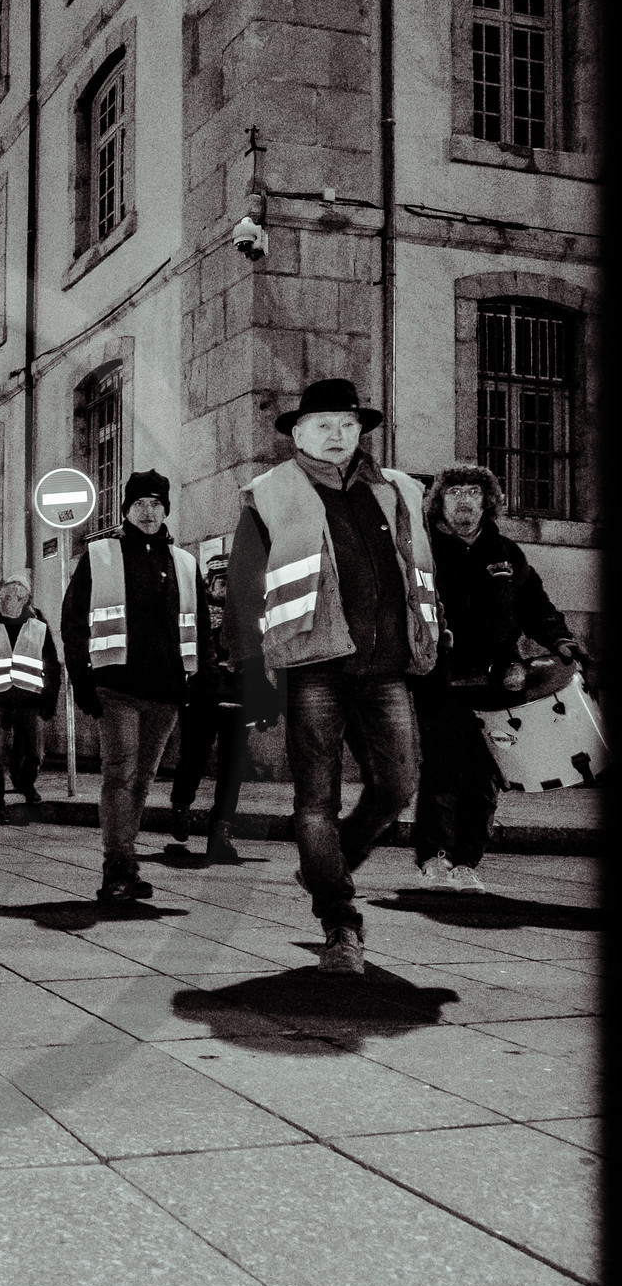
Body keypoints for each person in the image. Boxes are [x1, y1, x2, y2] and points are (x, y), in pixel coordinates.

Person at [229, 379, 440, 974]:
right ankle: (340, 922)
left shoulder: (397, 488)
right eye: (323, 424)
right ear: (297, 433)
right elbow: (246, 588)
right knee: (315, 799)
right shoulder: (268, 493)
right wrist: (255, 671)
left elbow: (418, 565)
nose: (338, 434)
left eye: (348, 424)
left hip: (386, 665)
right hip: (314, 663)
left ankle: (327, 862)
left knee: (398, 786)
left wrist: (429, 635)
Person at [411, 463, 588, 892]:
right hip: (441, 676)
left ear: (488, 501)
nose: (465, 501)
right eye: (455, 493)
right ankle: (433, 856)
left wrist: (561, 640)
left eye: (474, 492)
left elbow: (536, 606)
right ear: (440, 501)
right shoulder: (422, 551)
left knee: (485, 773)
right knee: (441, 767)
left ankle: (466, 861)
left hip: (499, 681)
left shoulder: (507, 552)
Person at [62, 470, 214, 904]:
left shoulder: (184, 562)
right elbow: (73, 622)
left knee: (143, 779)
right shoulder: (101, 554)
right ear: (126, 509)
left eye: (156, 504)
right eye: (140, 504)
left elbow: (200, 629)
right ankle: (118, 865)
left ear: (166, 509)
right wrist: (82, 679)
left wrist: (198, 682)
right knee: (120, 775)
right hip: (117, 687)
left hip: (166, 692)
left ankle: (127, 861)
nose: (149, 512)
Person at [168, 552, 248, 863]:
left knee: (232, 770)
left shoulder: (248, 614)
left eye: (233, 581)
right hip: (201, 699)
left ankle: (221, 831)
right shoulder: (195, 613)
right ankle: (180, 806)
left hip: (238, 700)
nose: (228, 588)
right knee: (194, 758)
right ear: (210, 583)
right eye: (222, 581)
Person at [0, 569, 61, 824]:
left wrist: (50, 700)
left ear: (24, 600)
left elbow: (52, 665)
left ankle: (25, 783)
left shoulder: (39, 628)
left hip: (29, 700)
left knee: (35, 753)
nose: (3, 601)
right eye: (2, 596)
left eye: (10, 597)